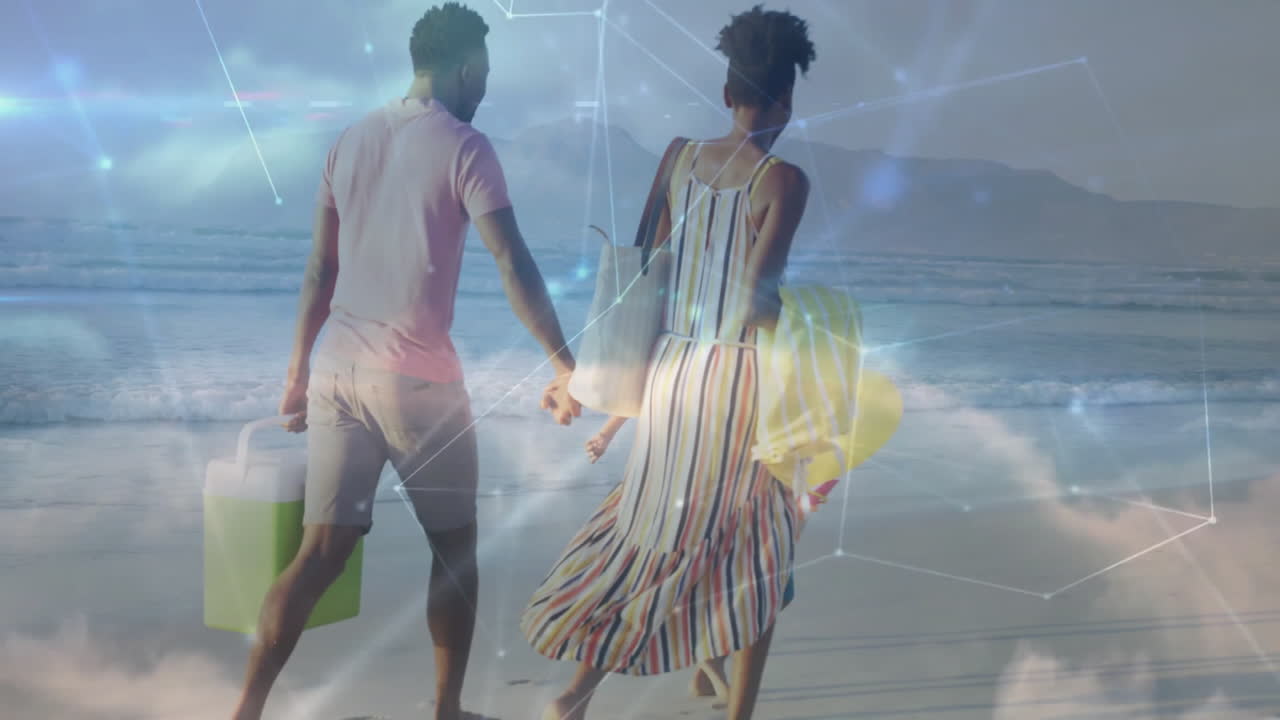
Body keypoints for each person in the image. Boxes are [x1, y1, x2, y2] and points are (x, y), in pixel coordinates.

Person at [231, 4, 581, 720]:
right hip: (418, 381)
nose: (485, 89)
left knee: (318, 553)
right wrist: (563, 362)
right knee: (454, 550)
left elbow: (319, 271)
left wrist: (297, 375)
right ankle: (447, 710)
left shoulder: (349, 140)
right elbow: (512, 262)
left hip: (337, 373)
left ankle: (246, 711)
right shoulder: (466, 146)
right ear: (462, 68)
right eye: (483, 74)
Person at [520, 5, 817, 719]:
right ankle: (738, 712)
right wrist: (813, 332)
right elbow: (755, 301)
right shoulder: (783, 181)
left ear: (727, 92)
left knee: (652, 527)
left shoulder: (680, 158)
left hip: (671, 372)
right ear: (787, 97)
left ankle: (578, 694)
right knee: (758, 551)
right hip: (736, 381)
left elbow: (646, 269)